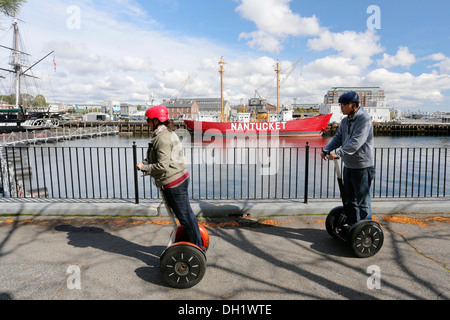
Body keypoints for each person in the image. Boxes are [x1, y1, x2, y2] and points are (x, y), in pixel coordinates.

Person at [137, 105, 204, 250]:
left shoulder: (162, 138)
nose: (147, 123)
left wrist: (144, 167)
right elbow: (167, 158)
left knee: (185, 218)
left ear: (156, 121)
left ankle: (197, 249)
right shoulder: (167, 133)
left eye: (148, 120)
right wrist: (149, 161)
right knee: (188, 215)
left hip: (174, 183)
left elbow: (163, 166)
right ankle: (197, 243)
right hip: (181, 177)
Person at [321, 91, 375, 224]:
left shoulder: (364, 119)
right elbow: (339, 138)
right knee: (350, 199)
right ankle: (353, 226)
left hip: (362, 166)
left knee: (362, 201)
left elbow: (356, 142)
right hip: (349, 165)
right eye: (340, 105)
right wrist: (326, 149)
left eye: (343, 105)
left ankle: (364, 228)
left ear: (354, 105)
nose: (341, 107)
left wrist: (338, 153)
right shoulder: (345, 121)